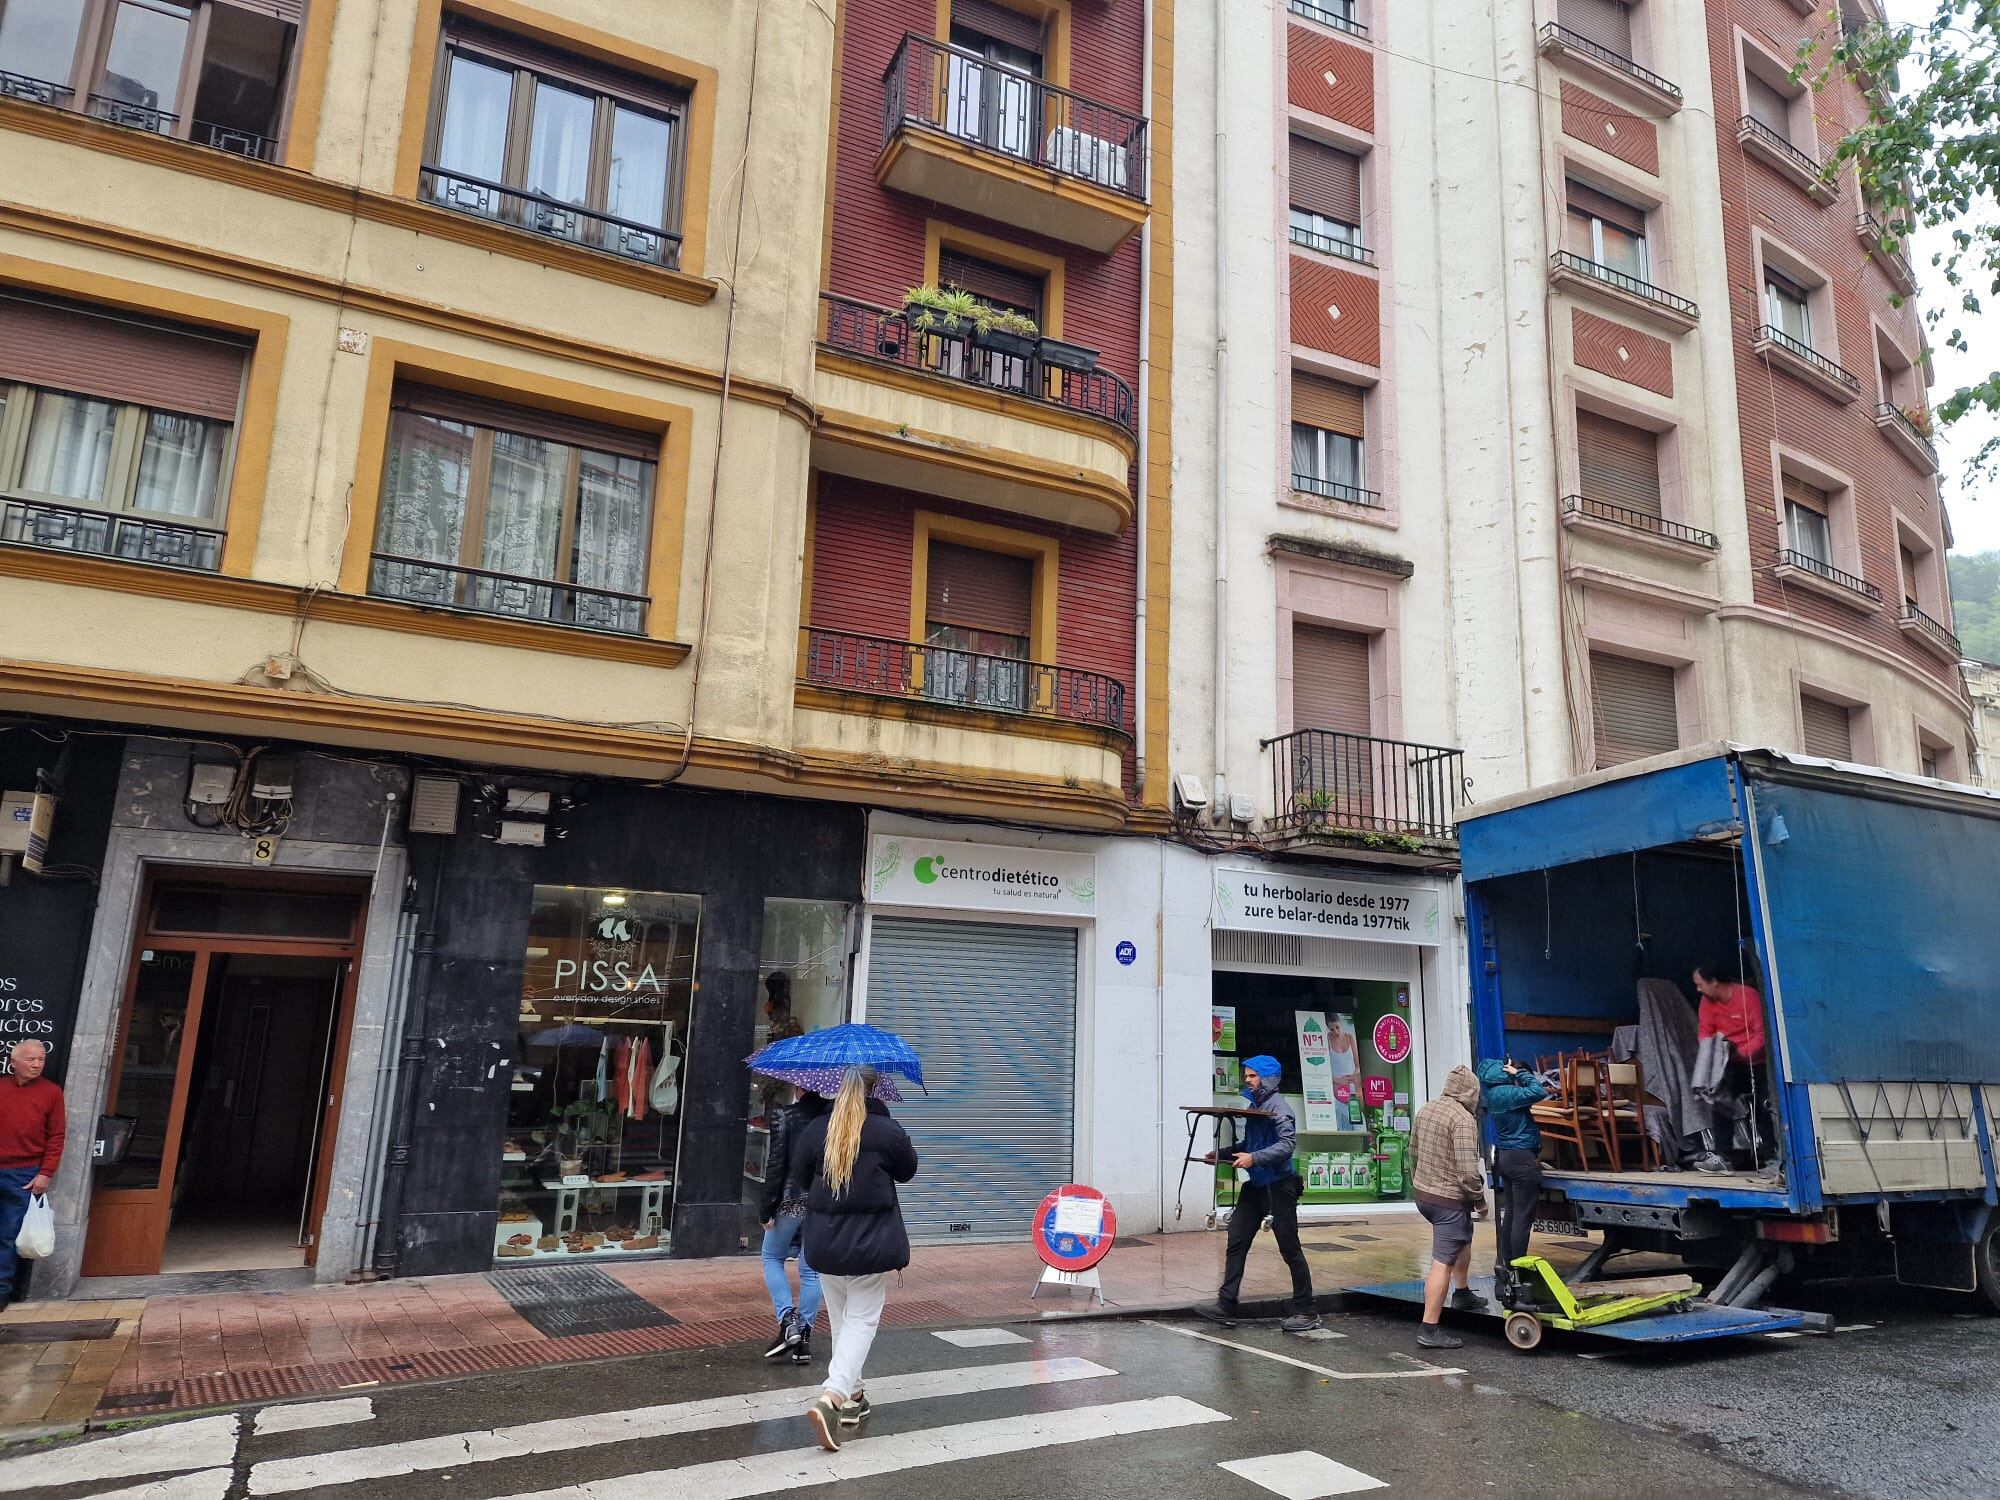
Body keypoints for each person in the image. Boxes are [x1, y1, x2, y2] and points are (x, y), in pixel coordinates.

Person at [790, 1065, 917, 1453]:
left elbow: (798, 1179)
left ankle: (854, 1400)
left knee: (846, 1323)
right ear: (874, 1085)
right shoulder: (885, 1131)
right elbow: (908, 1170)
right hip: (869, 1245)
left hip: (825, 1245)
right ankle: (832, 1396)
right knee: (861, 1320)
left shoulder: (815, 1130)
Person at [1196, 1056, 1320, 1335]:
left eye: (1253, 1076)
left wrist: (1254, 1158)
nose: (1248, 1080)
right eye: (1247, 1076)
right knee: (1236, 1240)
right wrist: (1222, 1155)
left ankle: (1306, 1309)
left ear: (1268, 1078)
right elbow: (1249, 1144)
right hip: (1256, 1187)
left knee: (1289, 1248)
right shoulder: (1256, 1107)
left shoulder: (1280, 1108)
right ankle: (1226, 1304)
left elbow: (1287, 1145)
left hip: (1280, 1186)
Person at [1408, 1064, 1486, 1348]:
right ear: (1471, 1092)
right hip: (1448, 1201)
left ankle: (1463, 1292)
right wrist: (1479, 1199)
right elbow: (1467, 1171)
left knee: (1463, 1235)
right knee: (1442, 1262)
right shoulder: (1463, 1119)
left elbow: (1413, 1151)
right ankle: (1429, 1328)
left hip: (1424, 1195)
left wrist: (1419, 1182)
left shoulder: (1427, 1108)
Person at [757, 1081, 828, 1366]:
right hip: (822, 1202)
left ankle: (788, 1321)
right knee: (811, 1270)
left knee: (771, 1257)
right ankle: (804, 1341)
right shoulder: (833, 1118)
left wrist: (766, 1208)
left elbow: (776, 1165)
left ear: (798, 1087)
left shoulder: (784, 1115)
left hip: (790, 1200)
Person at [1691, 961, 1774, 1173]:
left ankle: (1771, 1157)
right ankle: (1723, 1157)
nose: (1698, 989)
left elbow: (1761, 1034)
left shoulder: (1748, 996)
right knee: (1719, 1105)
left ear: (1714, 982)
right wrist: (1712, 1056)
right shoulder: (1706, 1002)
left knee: (1761, 1108)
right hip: (1725, 1063)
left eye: (1700, 984)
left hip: (1754, 1061)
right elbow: (1705, 1032)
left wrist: (1742, 1053)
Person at [1475, 1058, 1547, 1298]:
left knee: (1512, 1217)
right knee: (1522, 1221)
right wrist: (1520, 1073)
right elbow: (1540, 1091)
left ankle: (1504, 1267)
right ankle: (1518, 1270)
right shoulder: (1508, 1092)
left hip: (1507, 1158)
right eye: (1505, 1066)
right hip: (1522, 1160)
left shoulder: (1493, 1094)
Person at [0, 1041, 64, 1305]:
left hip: (24, 1174)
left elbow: (57, 1135)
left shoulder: (51, 1092)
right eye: (30, 1059)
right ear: (13, 1062)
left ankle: (1, 1290)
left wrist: (45, 1172)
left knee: (9, 1234)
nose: (37, 1064)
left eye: (41, 1059)